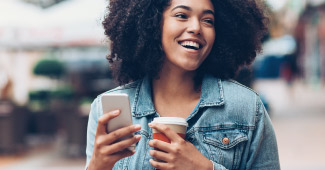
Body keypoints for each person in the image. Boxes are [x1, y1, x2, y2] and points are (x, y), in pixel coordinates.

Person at [85, 0, 280, 169]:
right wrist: (97, 166)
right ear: (151, 23)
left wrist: (205, 168)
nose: (196, 27)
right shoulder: (107, 111)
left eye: (208, 20)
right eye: (181, 15)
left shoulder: (246, 108)